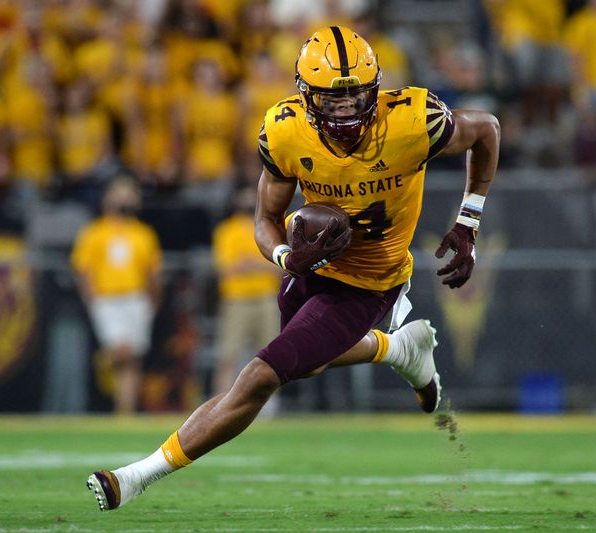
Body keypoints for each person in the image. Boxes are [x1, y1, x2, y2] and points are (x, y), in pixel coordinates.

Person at [86, 26, 500, 511]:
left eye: (355, 97)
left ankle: (134, 477)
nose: (346, 111)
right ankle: (398, 349)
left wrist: (468, 222)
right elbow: (264, 219)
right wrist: (286, 256)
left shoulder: (414, 119)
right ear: (306, 97)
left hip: (370, 281)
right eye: (333, 99)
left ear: (376, 89)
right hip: (313, 268)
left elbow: (486, 129)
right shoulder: (284, 129)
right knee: (312, 358)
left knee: (263, 374)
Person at [71, 177, 162, 414]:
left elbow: (152, 272)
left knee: (133, 360)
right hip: (107, 300)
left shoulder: (143, 233)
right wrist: (91, 298)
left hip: (136, 298)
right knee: (122, 352)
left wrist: (152, 301)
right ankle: (104, 360)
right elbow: (84, 269)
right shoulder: (95, 232)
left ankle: (124, 413)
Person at [210, 186, 281, 396]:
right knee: (228, 356)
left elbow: (281, 267)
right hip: (236, 300)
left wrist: (251, 266)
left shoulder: (272, 228)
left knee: (273, 357)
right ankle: (220, 404)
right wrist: (260, 267)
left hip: (266, 299)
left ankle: (268, 409)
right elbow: (226, 269)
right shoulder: (226, 230)